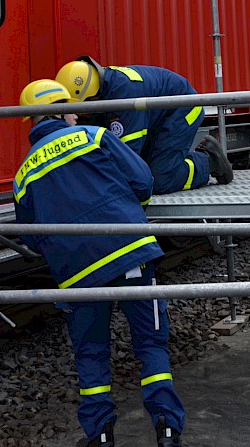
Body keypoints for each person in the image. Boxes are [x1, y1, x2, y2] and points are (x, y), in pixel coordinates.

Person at [13, 79, 186, 447]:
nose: (78, 112)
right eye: (72, 107)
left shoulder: (23, 174)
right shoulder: (94, 136)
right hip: (130, 256)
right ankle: (167, 430)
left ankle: (101, 435)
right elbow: (144, 182)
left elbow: (30, 236)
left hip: (78, 276)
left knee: (91, 352)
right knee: (151, 345)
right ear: (60, 110)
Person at [56, 56, 233, 194]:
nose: (78, 115)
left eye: (81, 109)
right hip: (160, 114)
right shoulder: (103, 89)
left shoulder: (123, 97)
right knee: (148, 170)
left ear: (92, 97)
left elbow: (127, 156)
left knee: (161, 179)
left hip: (182, 109)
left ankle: (209, 162)